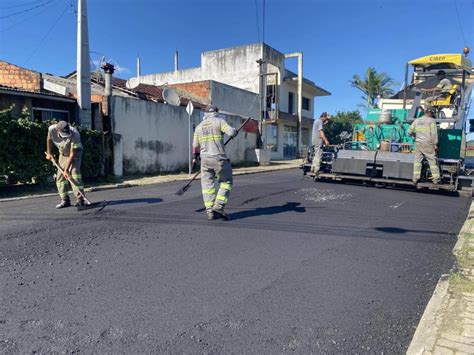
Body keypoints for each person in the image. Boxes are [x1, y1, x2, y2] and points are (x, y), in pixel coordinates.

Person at [192, 105, 237, 220]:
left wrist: (195, 157)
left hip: (205, 160)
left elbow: (195, 147)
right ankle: (219, 206)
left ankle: (210, 211)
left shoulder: (198, 127)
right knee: (226, 181)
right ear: (216, 112)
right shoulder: (219, 121)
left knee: (207, 186)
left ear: (205, 114)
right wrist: (235, 131)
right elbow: (231, 132)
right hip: (219, 158)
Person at [45, 120, 85, 208]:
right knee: (60, 177)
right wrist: (49, 153)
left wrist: (66, 170)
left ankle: (80, 199)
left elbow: (72, 153)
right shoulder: (52, 129)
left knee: (74, 173)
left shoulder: (75, 134)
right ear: (57, 130)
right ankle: (65, 200)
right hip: (63, 153)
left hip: (75, 153)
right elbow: (49, 139)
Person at [407, 105, 441, 184]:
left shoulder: (417, 120)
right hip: (428, 144)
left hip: (418, 144)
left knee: (417, 161)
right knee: (432, 160)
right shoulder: (431, 121)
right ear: (430, 113)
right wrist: (435, 144)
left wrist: (414, 137)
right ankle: (436, 179)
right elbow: (433, 134)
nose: (433, 115)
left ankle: (415, 178)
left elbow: (409, 132)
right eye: (432, 113)